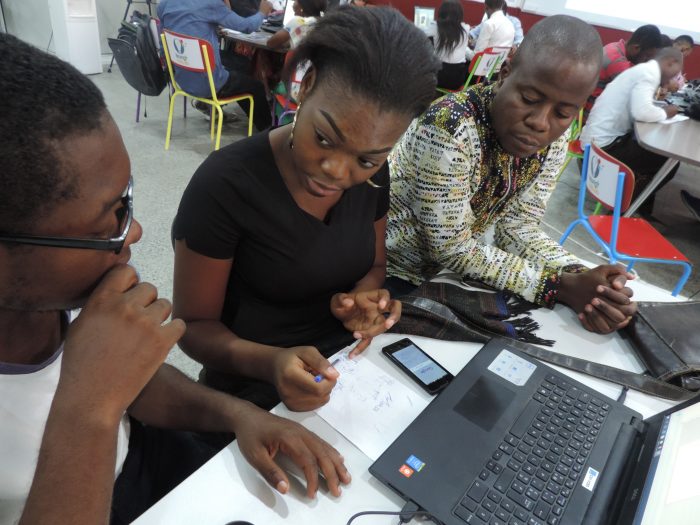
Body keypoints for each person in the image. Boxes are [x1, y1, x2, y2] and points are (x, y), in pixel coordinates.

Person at [0, 33, 350, 525]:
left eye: (126, 201)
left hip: (142, 461)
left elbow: (130, 384)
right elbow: (99, 396)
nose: (134, 231)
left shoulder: (49, 296)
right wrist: (88, 409)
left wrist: (238, 415)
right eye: (108, 221)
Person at [171, 7, 439, 413]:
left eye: (367, 159)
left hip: (348, 370)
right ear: (307, 85)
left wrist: (363, 301)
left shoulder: (375, 178)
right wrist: (272, 363)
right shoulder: (226, 184)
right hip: (252, 388)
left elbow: (374, 266)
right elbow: (192, 327)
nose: (337, 172)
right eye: (325, 139)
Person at [386, 15, 638, 336]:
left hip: (452, 274)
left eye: (563, 113)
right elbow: (451, 247)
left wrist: (588, 281)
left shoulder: (553, 140)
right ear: (505, 73)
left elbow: (517, 226)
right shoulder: (450, 127)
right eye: (529, 99)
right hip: (393, 272)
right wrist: (558, 286)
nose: (540, 122)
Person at [581, 47, 683, 217]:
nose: (674, 78)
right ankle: (622, 211)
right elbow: (641, 112)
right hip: (602, 149)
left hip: (594, 142)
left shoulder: (642, 70)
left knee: (653, 154)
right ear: (670, 63)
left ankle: (638, 206)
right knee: (667, 165)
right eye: (676, 73)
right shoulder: (649, 74)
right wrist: (666, 112)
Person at [157, 0, 273, 131]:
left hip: (182, 78)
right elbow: (246, 27)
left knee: (242, 63)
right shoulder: (210, 4)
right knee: (257, 87)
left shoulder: (164, 4)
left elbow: (164, 41)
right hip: (208, 83)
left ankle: (213, 106)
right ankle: (267, 131)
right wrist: (262, 12)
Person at [583, 24, 662, 120]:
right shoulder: (618, 62)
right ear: (636, 48)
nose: (646, 62)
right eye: (646, 57)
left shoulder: (615, 46)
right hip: (592, 116)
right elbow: (638, 98)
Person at [426, 0, 473, 90]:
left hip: (438, 78)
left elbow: (421, 38)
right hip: (457, 81)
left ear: (441, 13)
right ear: (460, 14)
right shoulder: (466, 28)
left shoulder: (434, 26)